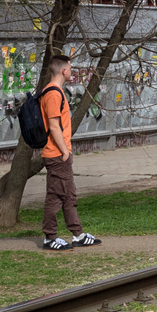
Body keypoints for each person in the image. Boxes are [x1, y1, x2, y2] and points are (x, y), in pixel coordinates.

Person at [38, 54, 100, 251]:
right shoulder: (53, 94)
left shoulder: (53, 91)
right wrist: (65, 151)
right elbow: (54, 127)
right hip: (56, 154)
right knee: (55, 197)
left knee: (69, 195)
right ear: (63, 70)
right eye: (70, 69)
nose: (71, 72)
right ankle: (50, 238)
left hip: (60, 154)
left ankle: (77, 234)